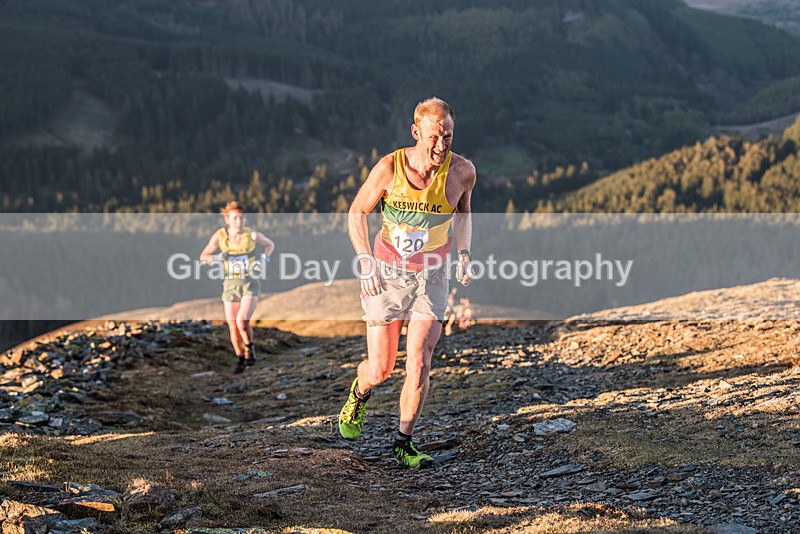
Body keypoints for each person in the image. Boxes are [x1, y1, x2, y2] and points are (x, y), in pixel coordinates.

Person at [339, 97, 476, 468]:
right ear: (416, 132)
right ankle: (360, 391)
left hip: (433, 274)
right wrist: (365, 260)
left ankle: (404, 442)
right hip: (387, 273)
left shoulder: (462, 172)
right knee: (380, 368)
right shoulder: (390, 168)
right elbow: (357, 211)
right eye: (434, 137)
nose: (441, 145)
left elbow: (463, 214)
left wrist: (464, 253)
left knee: (419, 360)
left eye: (447, 136)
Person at [200, 201, 275, 374]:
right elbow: (203, 256)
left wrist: (264, 259)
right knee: (233, 326)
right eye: (234, 218)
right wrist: (218, 258)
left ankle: (250, 348)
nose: (238, 222)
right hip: (230, 284)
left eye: (241, 218)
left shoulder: (252, 235)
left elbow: (270, 245)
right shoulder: (219, 237)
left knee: (242, 321)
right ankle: (241, 359)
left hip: (249, 282)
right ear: (227, 219)